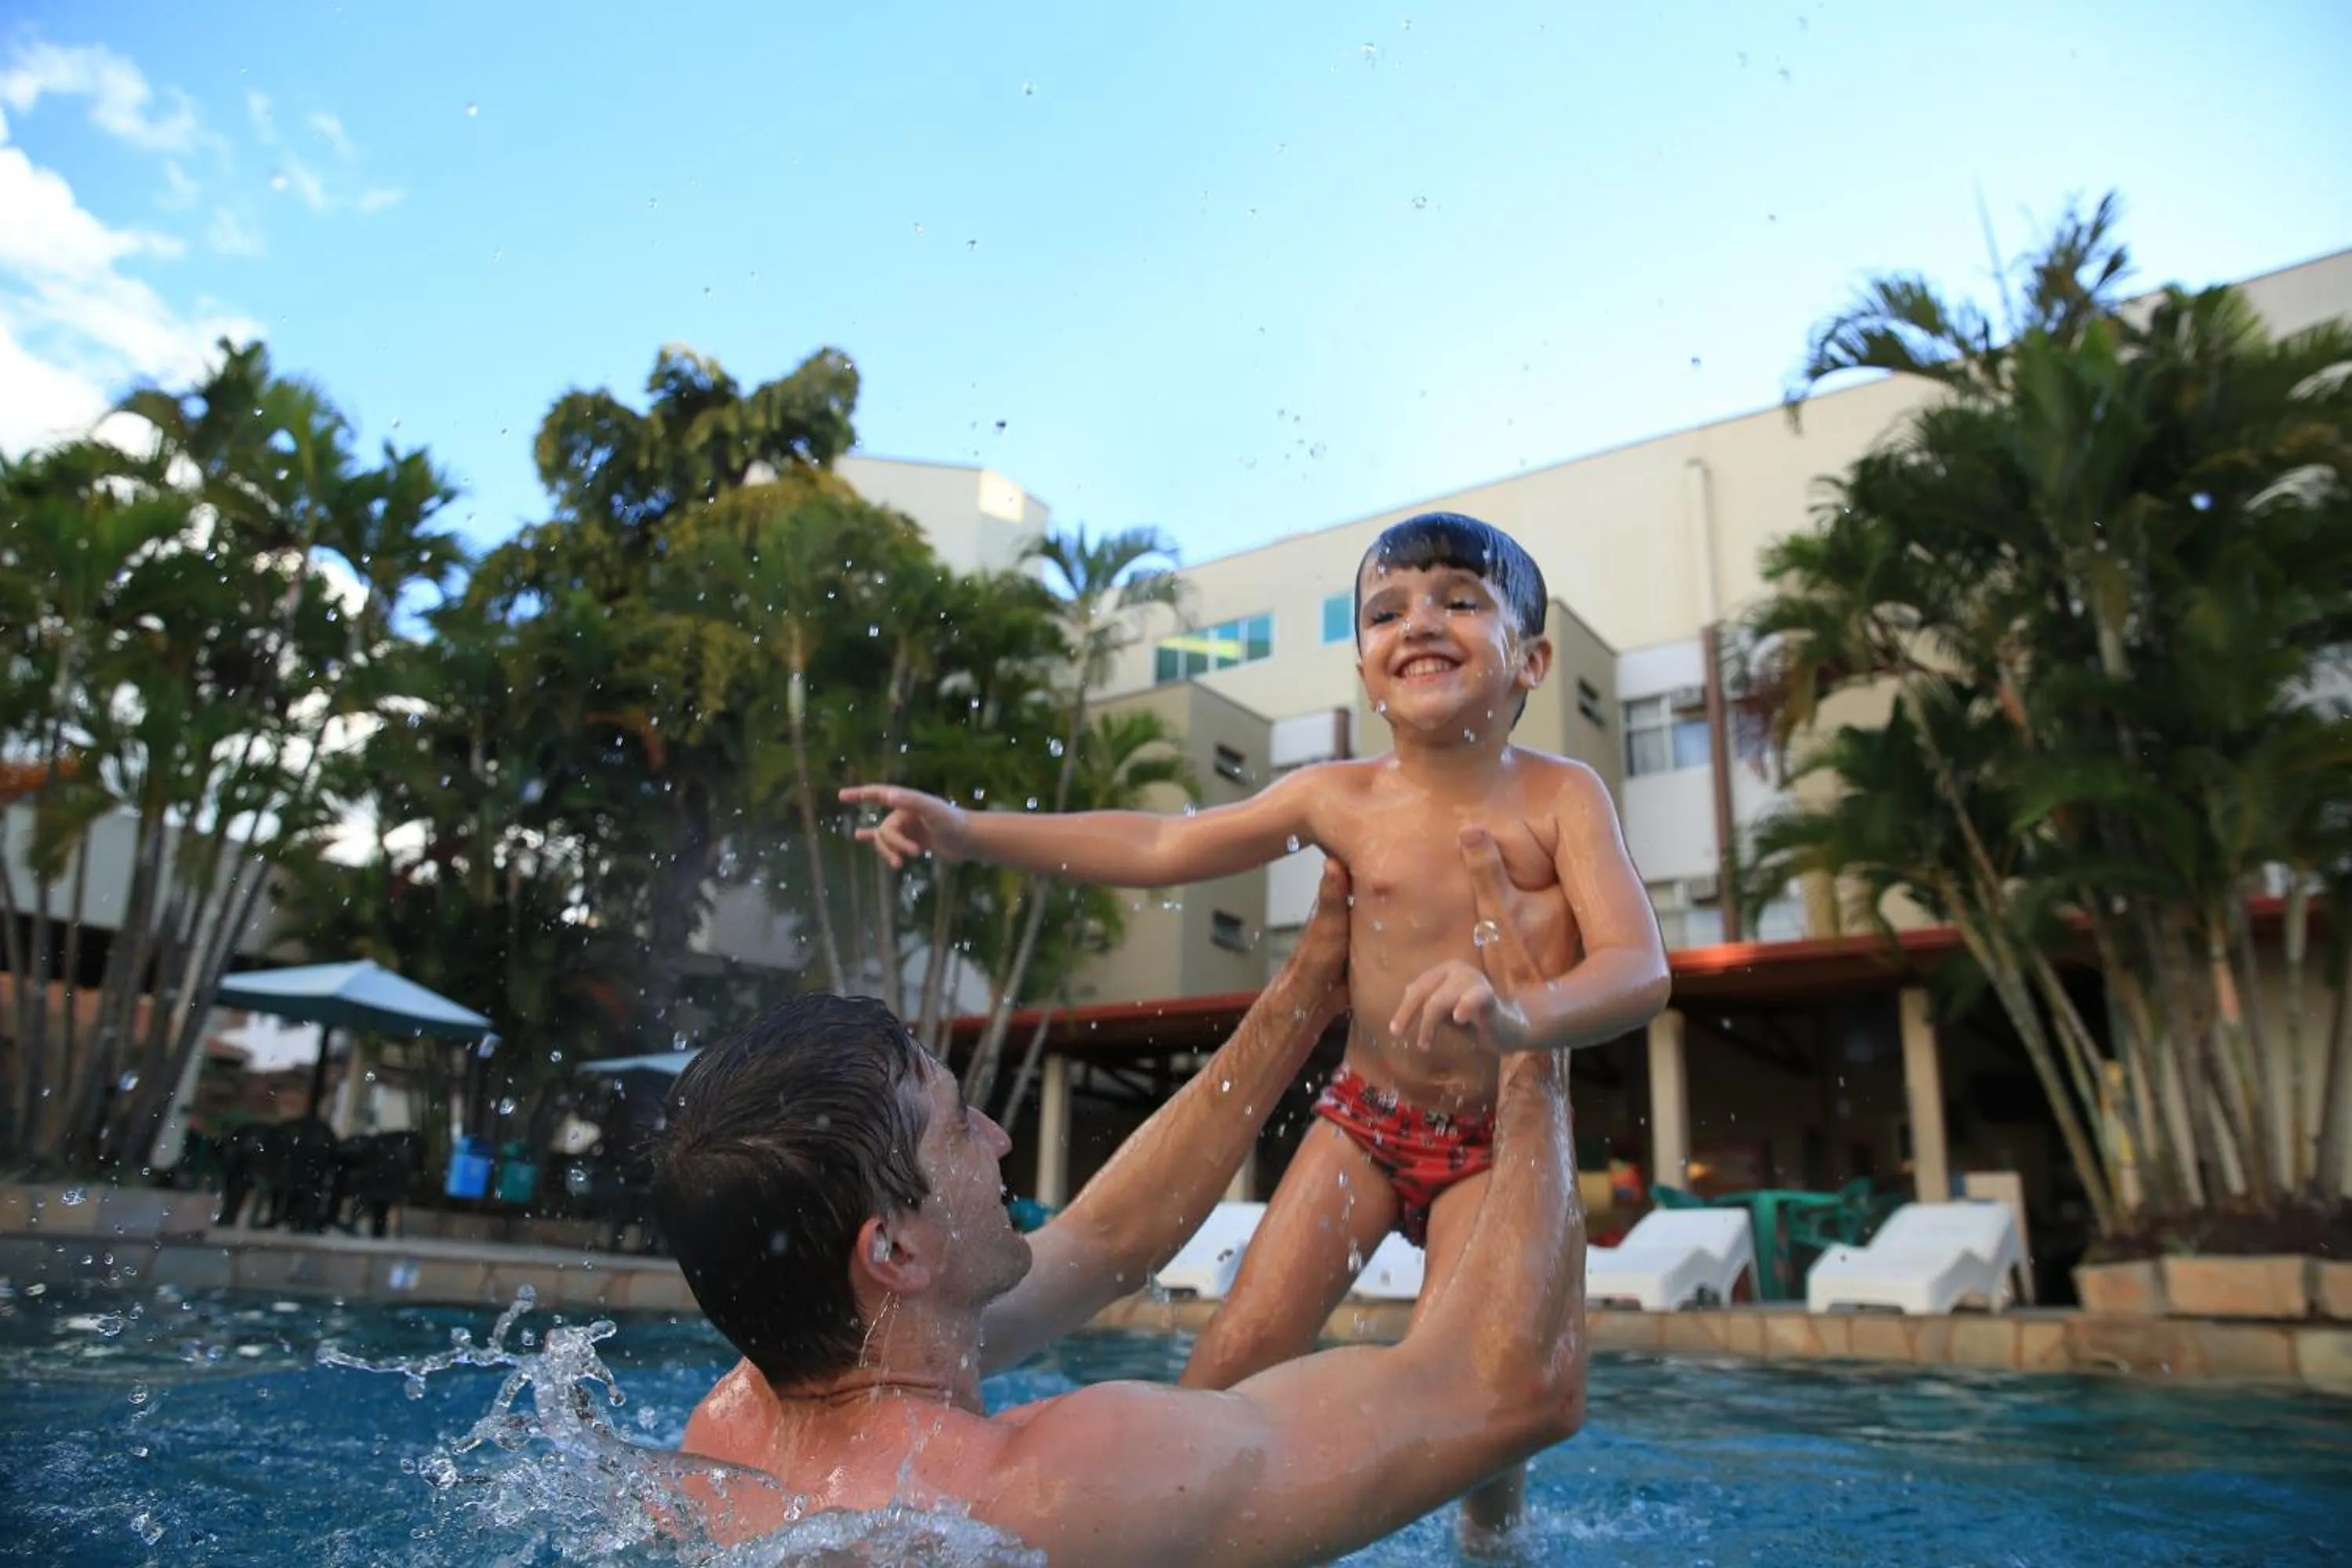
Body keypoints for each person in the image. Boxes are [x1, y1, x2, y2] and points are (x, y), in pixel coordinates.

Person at [839, 510, 1669, 1536]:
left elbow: (1639, 969)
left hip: (1498, 1145)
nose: (1421, 623)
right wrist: (971, 832)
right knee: (1233, 1362)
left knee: (1474, 1394)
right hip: (1365, 1123)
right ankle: (1176, 1525)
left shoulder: (1564, 798)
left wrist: (1520, 1016)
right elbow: (1157, 843)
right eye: (1387, 610)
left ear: (1532, 658)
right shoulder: (1338, 797)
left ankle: (1489, 1546)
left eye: (1462, 600)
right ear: (1366, 669)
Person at [656, 844, 1589, 1565]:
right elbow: (1511, 1392)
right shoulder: (1056, 1487)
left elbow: (1109, 1237)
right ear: (894, 1249)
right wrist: (1536, 1047)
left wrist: (1306, 993)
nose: (997, 1138)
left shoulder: (730, 1435)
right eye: (956, 1126)